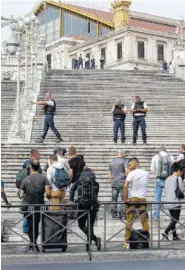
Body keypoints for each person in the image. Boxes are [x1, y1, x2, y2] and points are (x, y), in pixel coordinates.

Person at [20, 160, 51, 252]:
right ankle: (33, 244)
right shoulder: (44, 178)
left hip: (28, 206)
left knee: (30, 226)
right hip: (39, 205)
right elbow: (48, 193)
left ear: (30, 168)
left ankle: (33, 245)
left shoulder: (25, 179)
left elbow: (21, 195)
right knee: (35, 225)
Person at [72, 165, 101, 251]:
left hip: (81, 205)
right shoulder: (95, 183)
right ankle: (92, 242)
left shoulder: (80, 181)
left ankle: (94, 240)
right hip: (93, 205)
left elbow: (72, 189)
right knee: (90, 226)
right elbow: (96, 195)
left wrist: (71, 200)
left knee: (81, 225)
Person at [123, 158, 149, 249]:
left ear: (135, 164)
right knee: (144, 220)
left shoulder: (131, 173)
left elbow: (125, 185)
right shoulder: (146, 173)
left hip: (133, 200)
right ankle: (146, 240)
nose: (129, 167)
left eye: (130, 165)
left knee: (129, 221)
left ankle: (126, 242)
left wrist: (125, 199)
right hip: (142, 199)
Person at [21, 149, 42, 234]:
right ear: (35, 154)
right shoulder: (31, 162)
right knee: (29, 209)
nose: (39, 156)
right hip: (31, 187)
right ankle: (27, 228)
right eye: (39, 154)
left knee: (28, 208)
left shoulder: (26, 162)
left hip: (27, 187)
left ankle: (28, 228)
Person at [151, 147, 174, 221]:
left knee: (157, 197)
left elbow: (152, 170)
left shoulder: (155, 157)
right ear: (165, 151)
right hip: (169, 179)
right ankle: (169, 216)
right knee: (169, 197)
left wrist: (157, 174)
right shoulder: (171, 157)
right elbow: (174, 169)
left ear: (159, 151)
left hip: (159, 179)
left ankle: (156, 216)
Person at [162, 163, 184, 241]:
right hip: (176, 202)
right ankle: (165, 232)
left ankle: (174, 236)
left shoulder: (167, 179)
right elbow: (181, 190)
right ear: (178, 170)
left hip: (168, 202)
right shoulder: (178, 179)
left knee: (173, 220)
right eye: (181, 172)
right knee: (175, 220)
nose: (181, 174)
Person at [109, 150, 128, 219]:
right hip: (122, 181)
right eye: (124, 154)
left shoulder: (112, 161)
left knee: (114, 198)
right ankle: (123, 214)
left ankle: (114, 214)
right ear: (122, 154)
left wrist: (112, 178)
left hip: (114, 182)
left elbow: (109, 172)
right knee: (124, 198)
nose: (125, 155)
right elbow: (126, 171)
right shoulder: (125, 161)